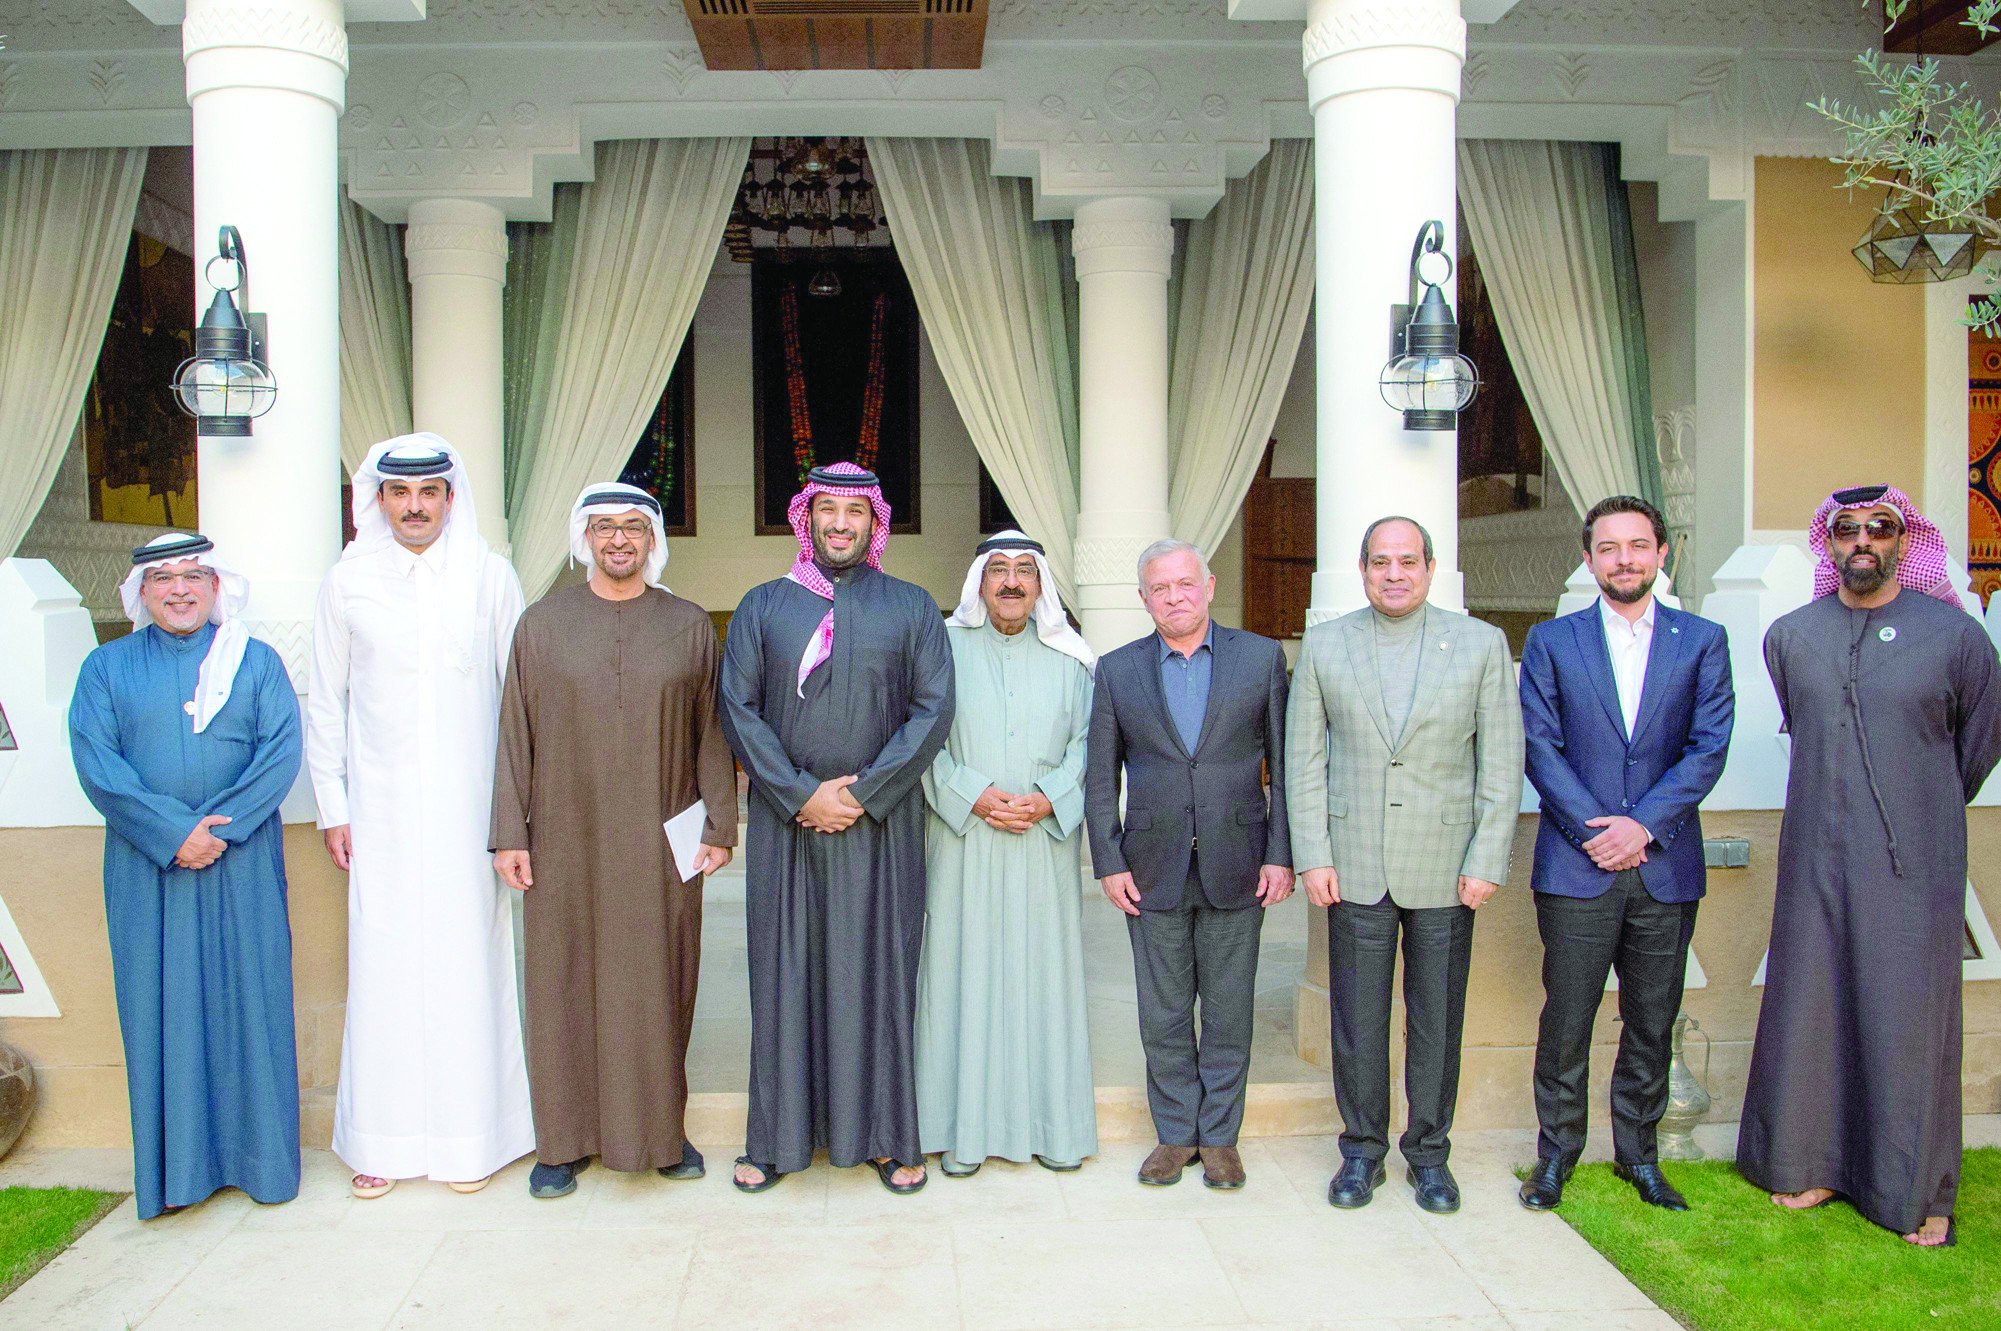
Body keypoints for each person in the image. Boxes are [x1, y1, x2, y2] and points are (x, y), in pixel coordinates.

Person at [1739, 483, 2001, 1249]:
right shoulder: (1791, 635)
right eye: (1846, 529)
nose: (1862, 540)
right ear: (1827, 543)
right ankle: (1812, 1162)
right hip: (1814, 856)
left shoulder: (1952, 637)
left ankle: (1915, 1188)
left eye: (1879, 527)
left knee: (1907, 1021)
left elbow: (1976, 744)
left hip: (1913, 863)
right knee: (1813, 1006)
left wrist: (1916, 805)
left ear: (1901, 539)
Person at [492, 482, 738, 1199]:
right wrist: (511, 831)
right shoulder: (541, 625)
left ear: (652, 540)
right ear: (584, 538)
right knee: (562, 979)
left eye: (633, 527)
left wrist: (719, 824)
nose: (619, 540)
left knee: (660, 981)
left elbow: (711, 734)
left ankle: (662, 1134)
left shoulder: (690, 625)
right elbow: (513, 734)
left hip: (665, 837)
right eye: (604, 528)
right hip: (563, 834)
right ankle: (563, 1142)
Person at [306, 434, 533, 1199]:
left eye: (428, 492)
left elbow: (520, 704)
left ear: (448, 497)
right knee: (386, 974)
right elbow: (325, 702)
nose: (413, 506)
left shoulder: (489, 577)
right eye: (399, 494)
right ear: (379, 500)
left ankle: (477, 1140)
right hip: (382, 818)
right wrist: (333, 807)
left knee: (472, 968)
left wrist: (517, 816)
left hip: (475, 816)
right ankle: (384, 1142)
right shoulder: (347, 583)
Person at [720, 462, 955, 1195]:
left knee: (878, 976)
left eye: (855, 512)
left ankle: (886, 1136)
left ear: (875, 522)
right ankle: (776, 1139)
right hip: (784, 825)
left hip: (879, 828)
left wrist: (862, 794)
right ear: (806, 517)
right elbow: (738, 710)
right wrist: (798, 795)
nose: (841, 524)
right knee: (783, 977)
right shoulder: (762, 606)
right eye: (828, 510)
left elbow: (932, 711)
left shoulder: (913, 607)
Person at [1285, 516, 1522, 1214]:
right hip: (1352, 863)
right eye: (1380, 561)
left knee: (1436, 1018)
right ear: (1361, 569)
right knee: (1356, 1019)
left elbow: (1501, 762)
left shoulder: (1479, 644)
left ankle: (1428, 1154)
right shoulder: (1326, 646)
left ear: (1430, 567)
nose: (1394, 573)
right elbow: (1303, 762)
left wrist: (1486, 857)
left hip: (1448, 865)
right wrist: (1312, 856)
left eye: (1407, 561)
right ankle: (1360, 1152)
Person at [70, 532, 302, 1219]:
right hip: (149, 869)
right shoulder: (105, 668)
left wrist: (214, 831)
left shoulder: (255, 663)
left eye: (194, 575)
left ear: (215, 586)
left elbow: (280, 754)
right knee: (159, 1011)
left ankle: (263, 1167)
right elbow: (97, 764)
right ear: (141, 592)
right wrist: (173, 834)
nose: (179, 589)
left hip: (243, 864)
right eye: (164, 577)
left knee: (250, 1008)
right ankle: (177, 1177)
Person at [1516, 495, 1734, 1213]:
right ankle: (1555, 1157)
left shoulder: (1701, 639)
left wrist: (1641, 827)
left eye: (1637, 545)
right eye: (1608, 547)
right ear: (1588, 559)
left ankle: (1637, 1157)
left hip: (1664, 867)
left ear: (1661, 552)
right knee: (1566, 1020)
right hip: (1575, 868)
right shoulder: (1553, 641)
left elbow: (1706, 749)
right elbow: (1539, 749)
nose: (1624, 559)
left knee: (1650, 1019)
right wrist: (1596, 831)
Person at [1084, 537, 1292, 1191]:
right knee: (1164, 1010)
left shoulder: (1260, 659)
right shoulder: (1117, 670)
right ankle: (1175, 1134)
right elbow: (1098, 777)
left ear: (1206, 585)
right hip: (1149, 864)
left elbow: (1286, 770)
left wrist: (1282, 853)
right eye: (1158, 588)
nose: (1173, 596)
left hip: (1241, 856)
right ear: (1143, 598)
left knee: (1229, 1008)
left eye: (1183, 583)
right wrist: (1107, 859)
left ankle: (1220, 1139)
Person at [917, 531, 1098, 1177]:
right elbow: (919, 738)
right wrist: (972, 793)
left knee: (1039, 979)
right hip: (962, 838)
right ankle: (956, 1130)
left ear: (1042, 584)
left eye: (1025, 570)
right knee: (958, 975)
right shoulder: (941, 649)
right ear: (978, 582)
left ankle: (1050, 1129)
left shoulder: (1072, 659)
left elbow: (1091, 743)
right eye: (998, 570)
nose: (1012, 581)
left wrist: (1050, 796)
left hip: (1040, 846)